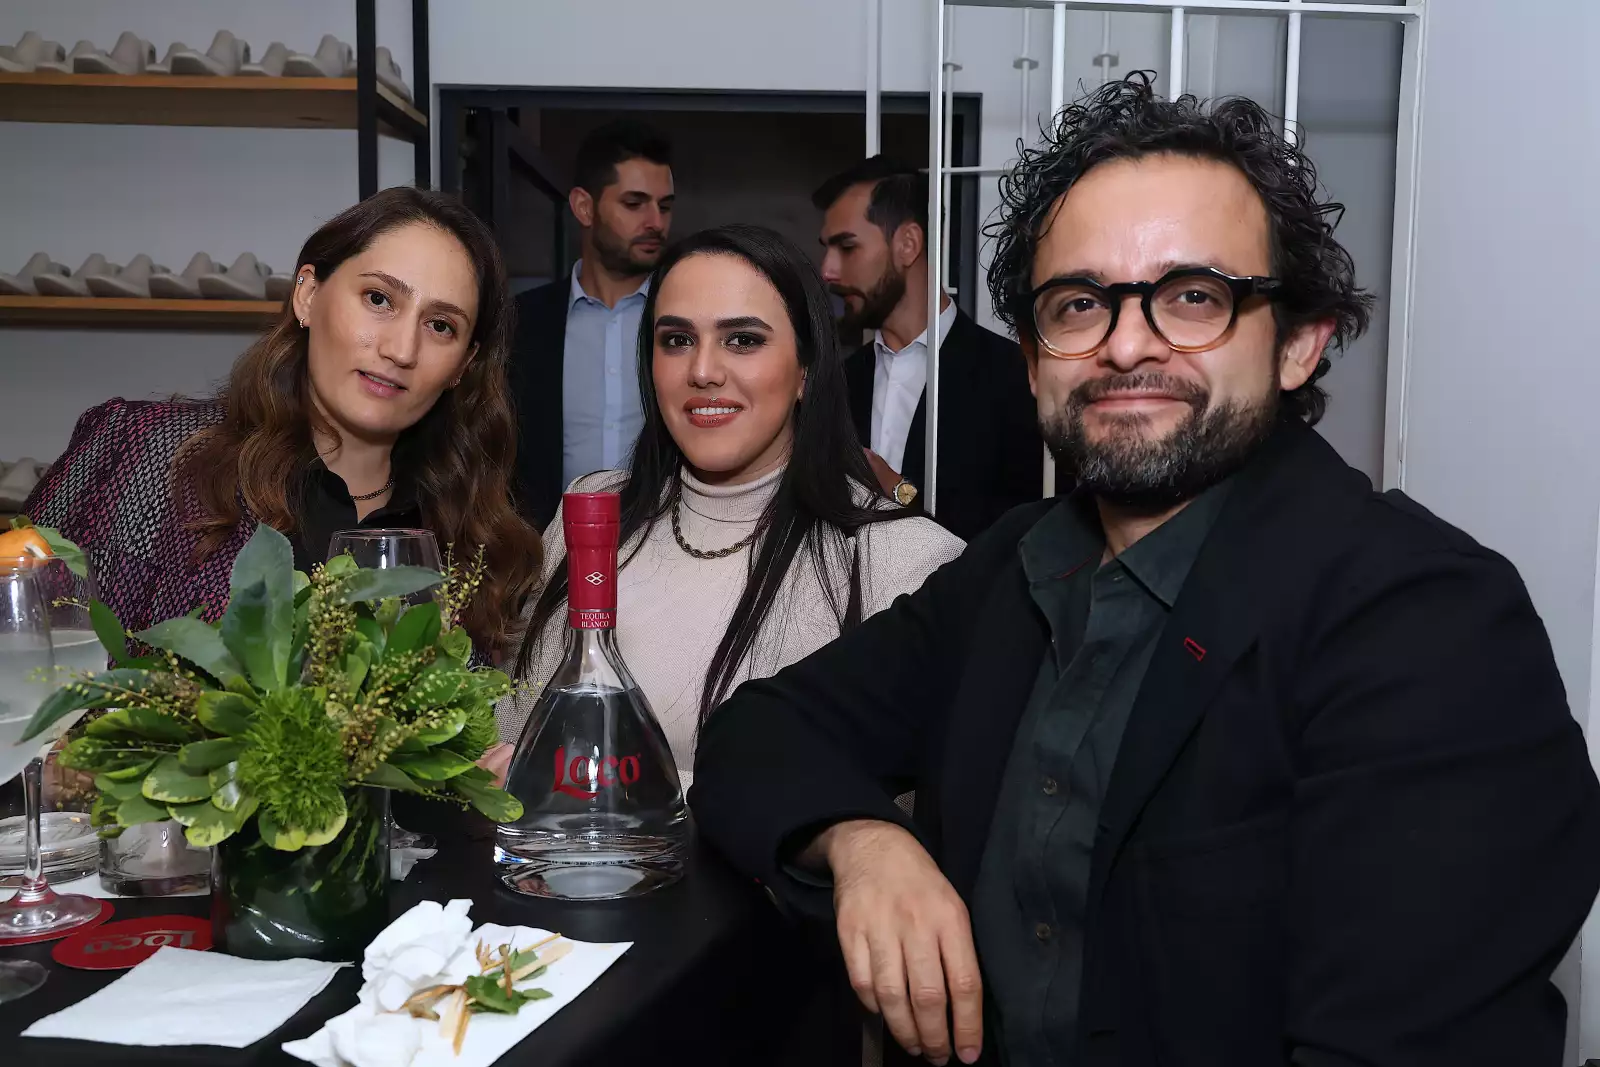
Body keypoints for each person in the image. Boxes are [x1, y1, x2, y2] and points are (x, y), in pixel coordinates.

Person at [693, 73, 1600, 1067]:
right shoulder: (1010, 565)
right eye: (1078, 304)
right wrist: (865, 842)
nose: (1127, 343)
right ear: (1035, 359)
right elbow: (758, 729)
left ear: (1299, 341)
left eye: (1191, 297)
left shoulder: (1427, 623)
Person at [498, 225, 964, 788]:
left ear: (806, 369)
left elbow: (890, 814)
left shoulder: (904, 564)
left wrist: (598, 788)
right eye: (676, 340)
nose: (702, 371)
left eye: (742, 339)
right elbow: (514, 728)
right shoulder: (595, 509)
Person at [23, 186, 541, 657]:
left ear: (462, 367)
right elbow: (25, 650)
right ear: (308, 295)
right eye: (379, 299)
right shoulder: (149, 452)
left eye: (440, 326)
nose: (401, 350)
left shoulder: (478, 543)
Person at [814, 156, 1043, 541]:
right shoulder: (837, 382)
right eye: (828, 249)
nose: (828, 270)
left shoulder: (1013, 376)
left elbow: (1028, 532)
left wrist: (901, 494)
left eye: (847, 247)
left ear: (908, 244)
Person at [509, 120, 676, 528]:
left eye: (665, 206)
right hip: (543, 554)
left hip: (666, 550)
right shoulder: (520, 321)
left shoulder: (685, 321)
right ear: (584, 207)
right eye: (635, 204)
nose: (656, 221)